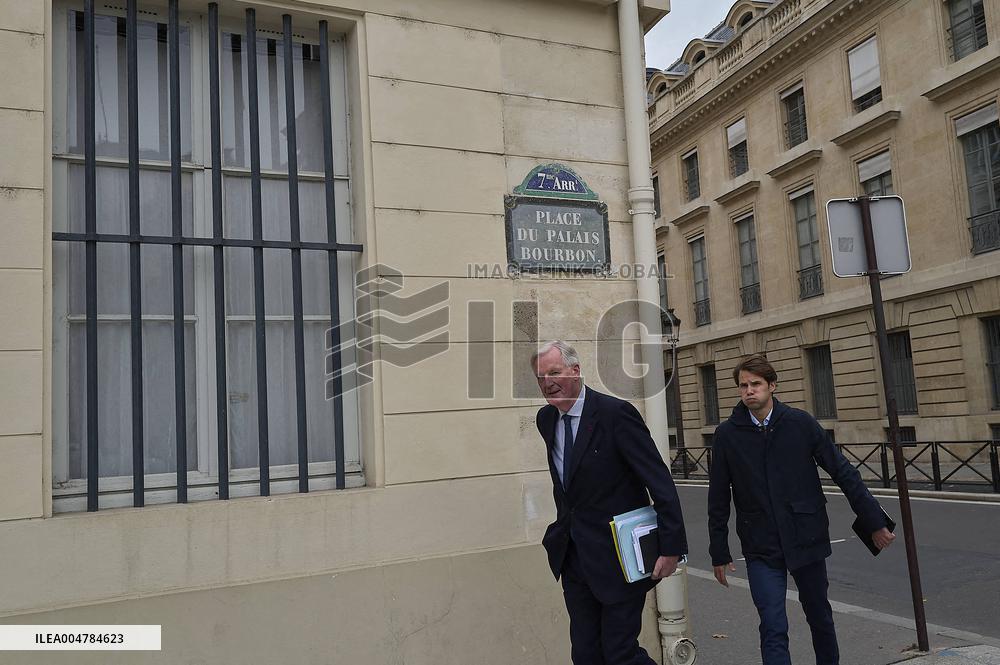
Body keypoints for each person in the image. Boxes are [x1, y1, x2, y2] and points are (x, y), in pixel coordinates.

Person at [708, 354, 895, 665]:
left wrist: (874, 520)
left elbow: (843, 472)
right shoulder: (727, 435)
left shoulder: (800, 423)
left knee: (819, 617)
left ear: (772, 386)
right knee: (772, 625)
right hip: (761, 545)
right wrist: (719, 549)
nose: (749, 391)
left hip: (806, 537)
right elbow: (717, 496)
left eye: (756, 384)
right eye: (743, 386)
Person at [531, 340, 687, 665]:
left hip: (619, 557)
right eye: (541, 377)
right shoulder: (546, 420)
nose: (548, 382)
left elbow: (659, 482)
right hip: (574, 558)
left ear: (576, 370)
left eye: (555, 372)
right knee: (586, 654)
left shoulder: (615, 415)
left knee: (620, 654)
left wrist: (671, 546)